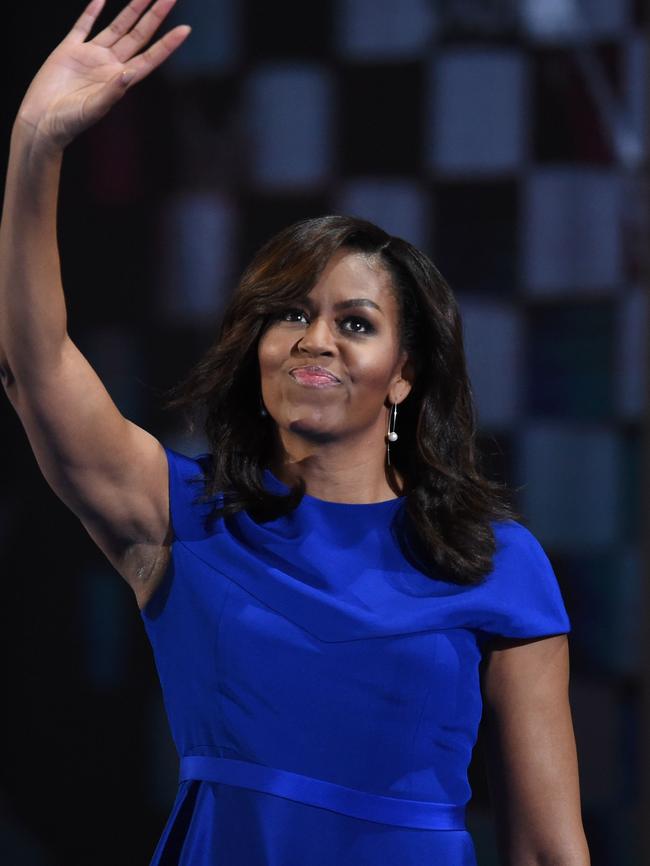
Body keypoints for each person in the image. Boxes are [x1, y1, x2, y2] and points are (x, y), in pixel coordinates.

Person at [0, 1, 591, 864]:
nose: (315, 339)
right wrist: (35, 146)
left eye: (355, 324)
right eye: (289, 315)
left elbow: (547, 848)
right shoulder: (180, 515)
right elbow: (33, 366)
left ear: (406, 374)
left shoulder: (497, 562)